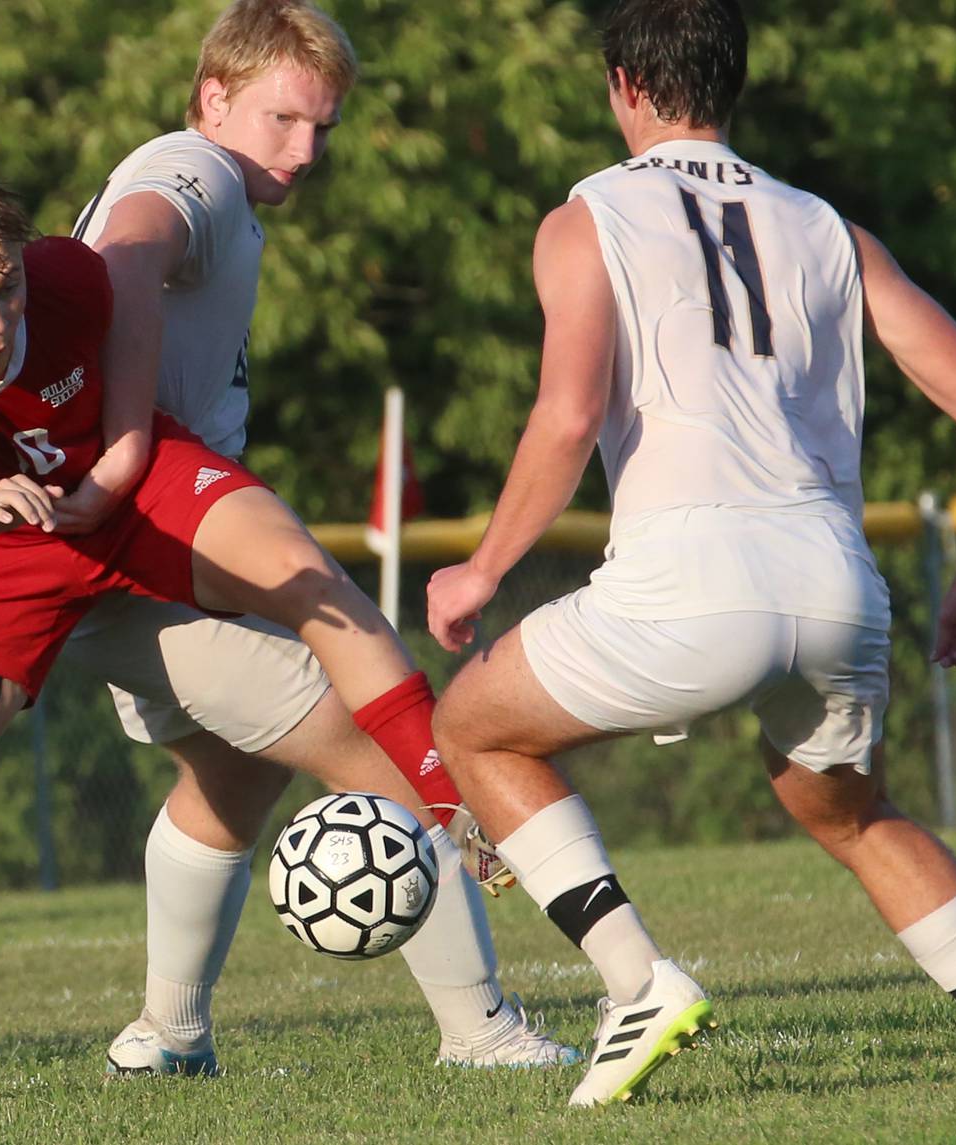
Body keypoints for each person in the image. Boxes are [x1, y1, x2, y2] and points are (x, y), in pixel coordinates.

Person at [425, 0, 956, 1108]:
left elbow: (570, 415)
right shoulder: (828, 226)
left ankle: (636, 980)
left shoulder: (587, 217)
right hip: (836, 584)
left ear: (625, 82)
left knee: (472, 727)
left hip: (692, 579)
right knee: (854, 813)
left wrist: (482, 568)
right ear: (733, 84)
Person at [0, 167, 561, 1107]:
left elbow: (130, 376)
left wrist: (118, 469)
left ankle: (452, 818)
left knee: (308, 593)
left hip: (129, 505)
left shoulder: (71, 276)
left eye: (5, 285)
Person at [60, 0, 572, 1077]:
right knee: (387, 750)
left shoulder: (221, 182)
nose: (306, 148)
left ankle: (167, 1035)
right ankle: (481, 1031)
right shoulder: (189, 166)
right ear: (212, 98)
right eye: (283, 118)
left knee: (234, 776)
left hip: (155, 559)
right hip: (135, 563)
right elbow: (125, 253)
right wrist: (124, 447)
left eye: (324, 128)